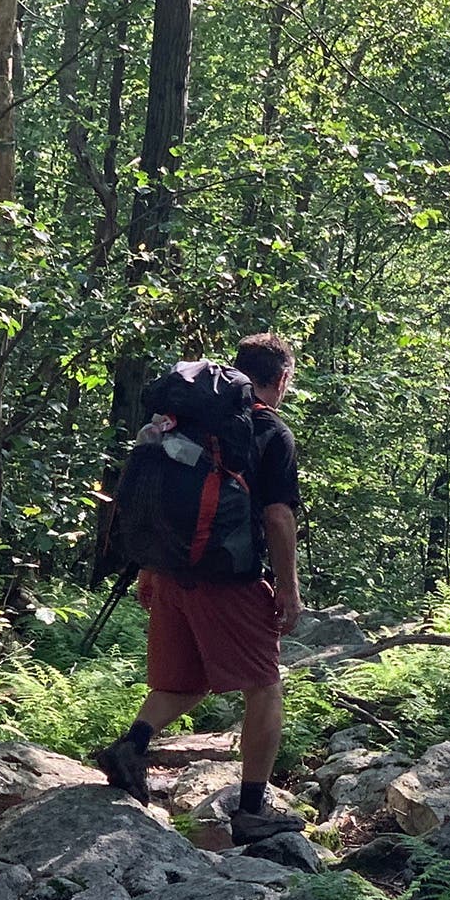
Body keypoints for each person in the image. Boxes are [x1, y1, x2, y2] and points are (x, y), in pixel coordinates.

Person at [92, 333, 307, 844]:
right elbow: (278, 517)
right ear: (280, 379)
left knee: (184, 681)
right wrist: (287, 586)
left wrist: (149, 564)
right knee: (265, 685)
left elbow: (158, 501)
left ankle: (132, 746)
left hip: (169, 572)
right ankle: (252, 811)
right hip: (226, 580)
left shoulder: (187, 421)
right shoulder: (269, 431)